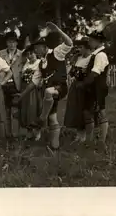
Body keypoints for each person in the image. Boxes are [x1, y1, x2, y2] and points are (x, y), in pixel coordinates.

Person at [32, 22, 73, 150]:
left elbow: (69, 43)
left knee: (49, 92)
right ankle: (55, 146)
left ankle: (41, 120)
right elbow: (34, 82)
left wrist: (58, 30)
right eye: (34, 49)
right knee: (52, 117)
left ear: (44, 47)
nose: (35, 51)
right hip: (47, 94)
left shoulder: (56, 53)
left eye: (37, 48)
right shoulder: (40, 64)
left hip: (60, 87)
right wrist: (22, 95)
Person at [78, 26, 110, 144]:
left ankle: (102, 140)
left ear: (99, 41)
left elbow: (95, 72)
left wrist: (83, 83)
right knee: (87, 111)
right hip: (92, 87)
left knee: (101, 111)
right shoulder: (95, 54)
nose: (90, 42)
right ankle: (89, 139)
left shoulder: (101, 55)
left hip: (98, 87)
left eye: (92, 40)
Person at [64, 38, 93, 142]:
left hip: (85, 87)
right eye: (78, 47)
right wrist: (72, 62)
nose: (79, 49)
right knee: (75, 109)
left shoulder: (91, 58)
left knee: (83, 110)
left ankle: (85, 136)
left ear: (87, 48)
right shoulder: (78, 58)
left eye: (81, 47)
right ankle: (78, 134)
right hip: (75, 86)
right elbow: (70, 73)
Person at [12, 45, 42, 141]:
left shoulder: (39, 63)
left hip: (34, 90)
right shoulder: (25, 64)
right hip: (24, 89)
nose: (30, 56)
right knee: (25, 111)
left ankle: (37, 131)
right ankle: (29, 131)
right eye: (28, 54)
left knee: (34, 110)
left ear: (35, 53)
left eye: (31, 53)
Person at [0, 32, 23, 138]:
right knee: (5, 109)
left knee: (15, 110)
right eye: (9, 42)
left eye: (14, 42)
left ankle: (15, 134)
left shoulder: (21, 54)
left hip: (16, 84)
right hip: (3, 84)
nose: (12, 44)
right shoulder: (0, 54)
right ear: (6, 43)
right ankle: (7, 133)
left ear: (17, 43)